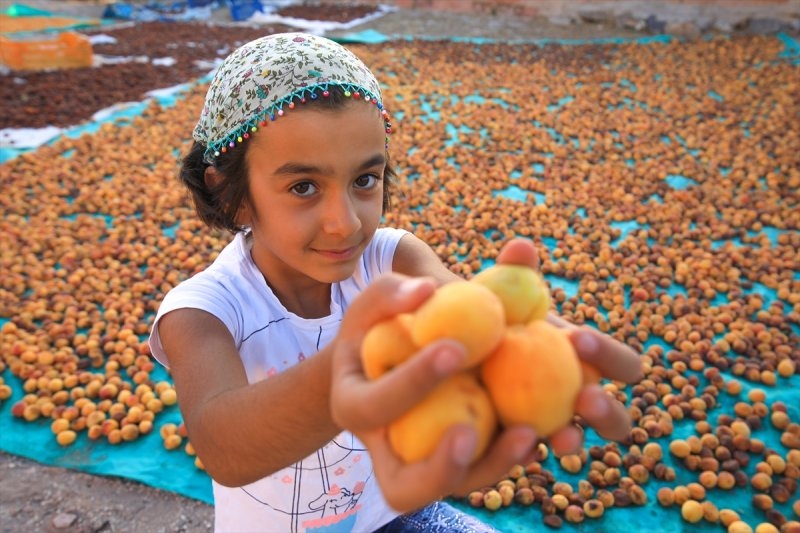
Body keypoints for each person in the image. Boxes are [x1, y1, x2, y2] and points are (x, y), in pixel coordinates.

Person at [148, 32, 642, 532]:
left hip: (401, 518)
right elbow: (226, 446)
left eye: (365, 180)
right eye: (303, 187)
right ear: (232, 192)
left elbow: (465, 311)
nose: (345, 223)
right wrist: (357, 365)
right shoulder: (203, 310)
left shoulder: (390, 258)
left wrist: (516, 339)